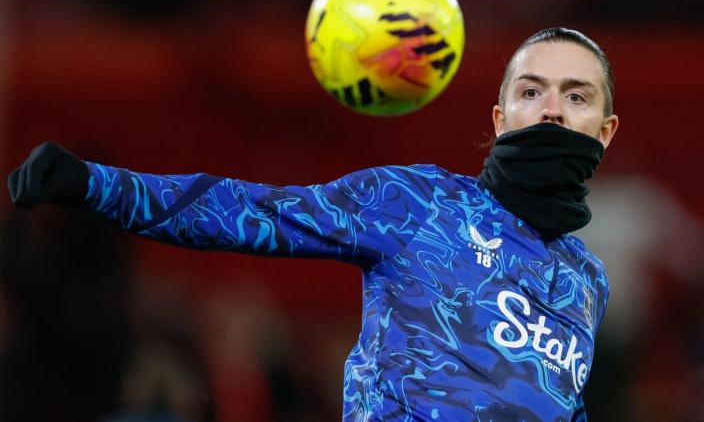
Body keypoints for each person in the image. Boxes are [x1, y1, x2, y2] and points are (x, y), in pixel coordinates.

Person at [7, 27, 619, 421]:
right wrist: (94, 185)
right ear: (501, 117)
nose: (551, 111)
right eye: (531, 91)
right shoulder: (417, 204)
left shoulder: (586, 280)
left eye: (576, 96)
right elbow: (251, 213)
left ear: (606, 130)